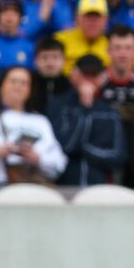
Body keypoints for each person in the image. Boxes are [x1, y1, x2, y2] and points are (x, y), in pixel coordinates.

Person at [48, 53, 126, 185]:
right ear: (74, 75)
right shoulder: (58, 105)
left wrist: (84, 150)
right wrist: (85, 110)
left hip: (99, 186)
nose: (88, 80)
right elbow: (64, 147)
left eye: (94, 75)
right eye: (85, 74)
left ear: (102, 78)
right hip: (64, 185)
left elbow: (118, 157)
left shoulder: (109, 112)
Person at [98, 25, 134, 122]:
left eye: (128, 48)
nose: (123, 54)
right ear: (108, 50)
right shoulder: (97, 82)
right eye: (117, 48)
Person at [55, 0, 110, 73]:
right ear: (77, 18)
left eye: (97, 17)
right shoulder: (61, 41)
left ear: (106, 20)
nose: (92, 22)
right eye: (88, 16)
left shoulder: (114, 45)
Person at [30, 37, 73, 114]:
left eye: (55, 57)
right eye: (44, 58)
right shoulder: (28, 84)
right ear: (35, 61)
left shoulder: (72, 86)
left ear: (64, 60)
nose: (50, 63)